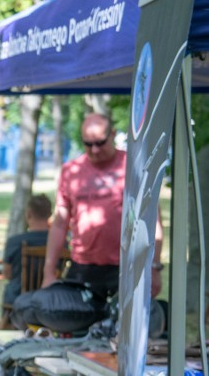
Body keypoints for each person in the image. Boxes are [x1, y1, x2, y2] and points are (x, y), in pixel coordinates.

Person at [41, 113, 162, 299]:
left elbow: (152, 221)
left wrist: (154, 267)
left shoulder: (134, 166)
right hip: (83, 267)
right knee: (77, 323)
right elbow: (59, 223)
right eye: (88, 144)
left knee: (122, 326)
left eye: (100, 143)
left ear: (112, 134)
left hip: (126, 266)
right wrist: (49, 272)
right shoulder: (71, 171)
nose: (95, 150)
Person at [0, 194, 52, 310]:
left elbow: (7, 274)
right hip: (49, 298)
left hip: (17, 297)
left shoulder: (14, 242)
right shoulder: (60, 243)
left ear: (28, 214)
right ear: (50, 214)